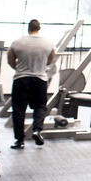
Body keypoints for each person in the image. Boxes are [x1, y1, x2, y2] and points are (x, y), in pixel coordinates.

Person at [7, 19, 56, 148]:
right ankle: (37, 130)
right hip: (39, 79)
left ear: (28, 28)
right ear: (39, 28)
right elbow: (49, 61)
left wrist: (20, 69)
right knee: (40, 106)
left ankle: (19, 140)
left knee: (19, 110)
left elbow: (10, 60)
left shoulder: (17, 42)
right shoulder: (48, 43)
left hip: (21, 79)